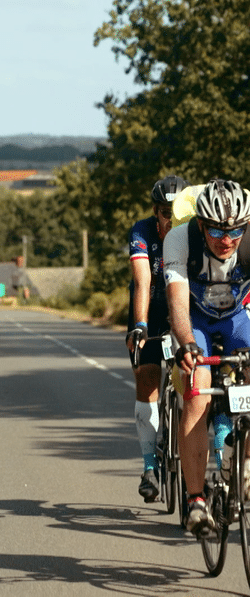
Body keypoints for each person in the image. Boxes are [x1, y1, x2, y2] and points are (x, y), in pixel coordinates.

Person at [163, 178, 250, 534]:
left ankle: (238, 460)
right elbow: (178, 306)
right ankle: (196, 500)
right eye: (216, 230)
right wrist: (185, 344)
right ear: (201, 224)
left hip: (236, 318)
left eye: (235, 231)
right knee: (197, 390)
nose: (226, 240)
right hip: (195, 320)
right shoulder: (180, 239)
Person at [126, 175, 191, 502]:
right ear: (156, 211)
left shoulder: (195, 231)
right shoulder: (142, 231)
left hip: (186, 311)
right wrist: (139, 324)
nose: (171, 219)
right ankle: (149, 466)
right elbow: (142, 280)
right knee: (148, 378)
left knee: (194, 382)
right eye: (166, 212)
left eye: (178, 212)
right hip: (150, 307)